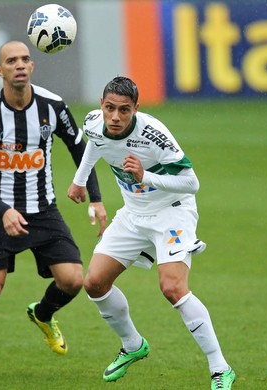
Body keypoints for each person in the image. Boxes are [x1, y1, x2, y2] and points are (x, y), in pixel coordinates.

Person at [0, 41, 107, 380]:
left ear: (33, 66)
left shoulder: (53, 106)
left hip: (43, 209)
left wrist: (95, 196)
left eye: (25, 59)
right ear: (0, 71)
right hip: (0, 212)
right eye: (11, 61)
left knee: (73, 281)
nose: (20, 65)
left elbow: (81, 148)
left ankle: (42, 313)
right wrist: (2, 211)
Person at [67, 76, 236, 389]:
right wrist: (80, 180)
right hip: (133, 214)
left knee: (172, 287)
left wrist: (147, 176)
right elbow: (95, 143)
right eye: (109, 108)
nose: (115, 117)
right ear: (101, 106)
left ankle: (220, 368)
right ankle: (133, 345)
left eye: (124, 110)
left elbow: (191, 183)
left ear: (136, 109)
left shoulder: (154, 135)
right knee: (94, 283)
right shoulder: (94, 122)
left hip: (172, 213)